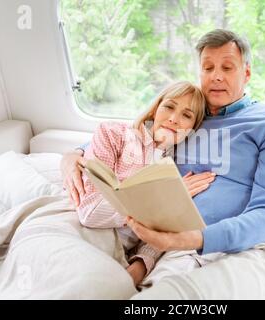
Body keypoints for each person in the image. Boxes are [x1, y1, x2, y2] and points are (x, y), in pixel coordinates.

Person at [61, 29, 265, 299]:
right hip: (178, 249)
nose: (216, 75)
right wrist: (73, 156)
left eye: (227, 67)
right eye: (208, 67)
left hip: (261, 247)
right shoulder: (188, 120)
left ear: (246, 74)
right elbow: (132, 136)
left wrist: (194, 239)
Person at [75, 81, 216, 287]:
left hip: (121, 252)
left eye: (186, 115)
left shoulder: (177, 168)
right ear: (155, 108)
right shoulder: (113, 134)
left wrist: (140, 265)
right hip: (82, 235)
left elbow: (165, 231)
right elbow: (90, 212)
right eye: (169, 106)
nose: (174, 119)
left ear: (192, 129)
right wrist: (159, 199)